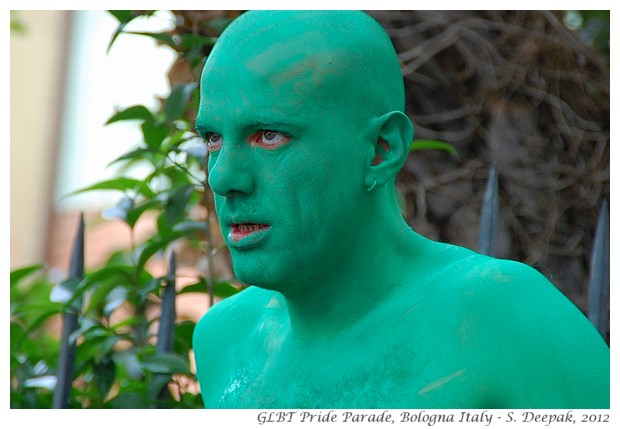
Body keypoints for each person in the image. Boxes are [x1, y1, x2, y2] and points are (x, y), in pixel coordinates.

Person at [192, 10, 609, 409]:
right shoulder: (221, 341)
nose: (222, 177)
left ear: (380, 149)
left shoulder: (505, 316)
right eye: (212, 138)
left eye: (269, 136)